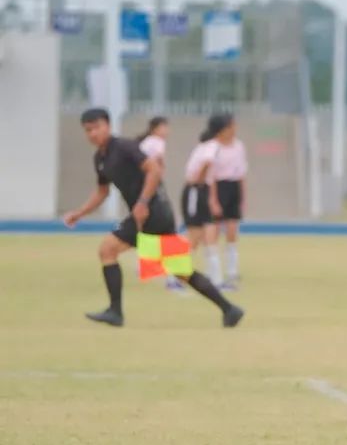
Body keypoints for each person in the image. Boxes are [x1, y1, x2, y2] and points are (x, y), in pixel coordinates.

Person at [61, 108, 245, 329]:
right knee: (180, 270)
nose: (92, 133)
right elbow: (102, 191)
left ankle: (115, 312)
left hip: (154, 212)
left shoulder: (124, 147)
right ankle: (229, 309)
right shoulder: (100, 158)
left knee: (107, 250)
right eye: (88, 130)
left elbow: (154, 170)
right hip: (146, 215)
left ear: (108, 126)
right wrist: (80, 213)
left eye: (97, 127)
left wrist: (142, 203)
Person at [137, 116, 184, 293]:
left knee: (147, 226)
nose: (167, 131)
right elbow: (157, 164)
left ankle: (148, 267)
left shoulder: (147, 142)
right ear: (155, 128)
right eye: (164, 127)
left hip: (143, 187)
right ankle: (173, 277)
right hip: (152, 187)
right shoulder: (156, 142)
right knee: (167, 227)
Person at [204, 113, 249, 289]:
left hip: (233, 186)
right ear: (222, 129)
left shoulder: (239, 146)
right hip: (218, 186)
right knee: (213, 229)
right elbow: (211, 176)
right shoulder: (213, 147)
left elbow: (242, 173)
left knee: (232, 230)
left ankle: (232, 270)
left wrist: (243, 197)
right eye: (231, 126)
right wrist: (213, 199)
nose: (234, 129)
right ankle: (212, 270)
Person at [181, 125, 223, 267]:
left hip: (201, 189)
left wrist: (213, 198)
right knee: (195, 234)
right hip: (196, 190)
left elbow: (211, 176)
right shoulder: (212, 145)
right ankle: (175, 273)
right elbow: (207, 162)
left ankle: (215, 278)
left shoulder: (204, 146)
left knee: (209, 232)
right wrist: (199, 181)